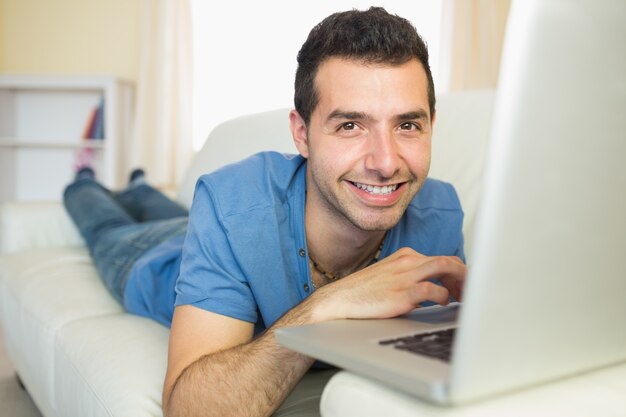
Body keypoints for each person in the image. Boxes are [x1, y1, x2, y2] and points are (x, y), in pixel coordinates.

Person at [63, 7, 467, 417]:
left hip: (208, 229)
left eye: (407, 125)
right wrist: (329, 304)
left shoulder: (441, 216)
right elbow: (189, 409)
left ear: (432, 124)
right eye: (350, 125)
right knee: (106, 224)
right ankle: (83, 184)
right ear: (301, 134)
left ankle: (140, 186)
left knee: (161, 206)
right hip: (156, 258)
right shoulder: (230, 204)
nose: (386, 162)